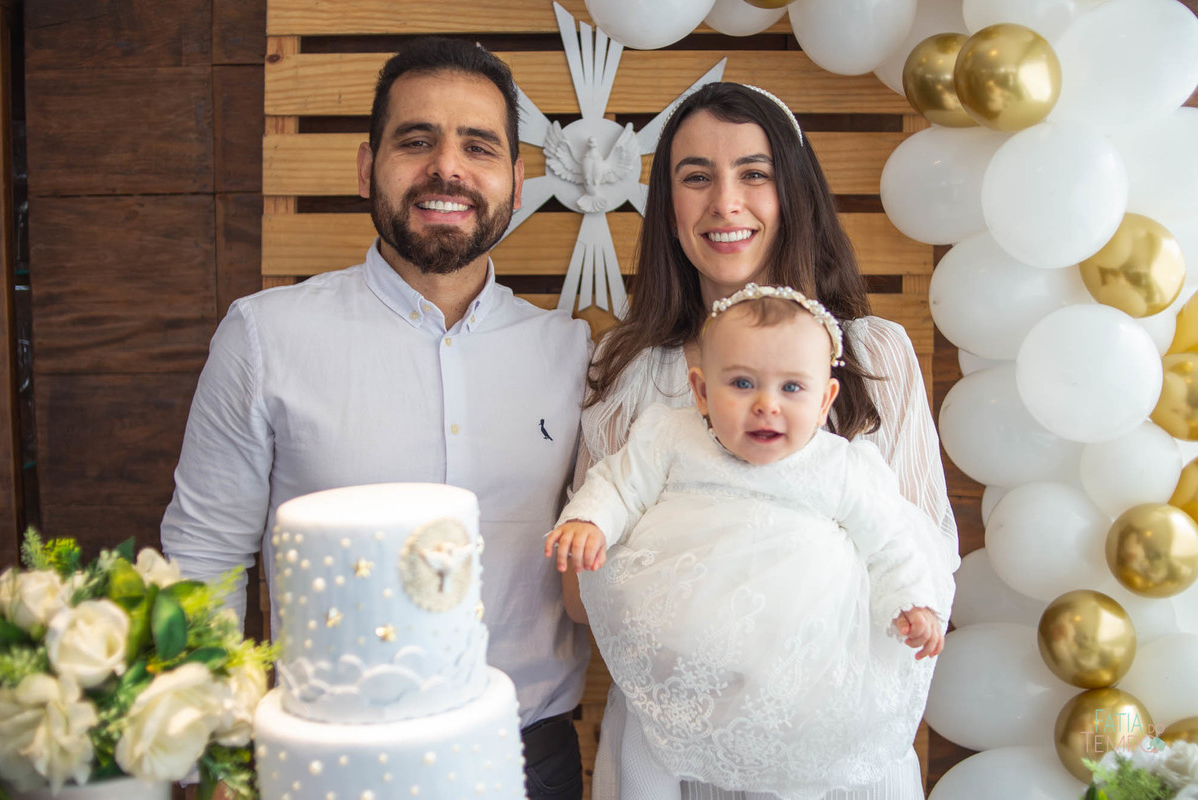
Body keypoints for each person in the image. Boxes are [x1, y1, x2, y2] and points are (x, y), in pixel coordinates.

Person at [160, 38, 590, 800]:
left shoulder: (571, 355)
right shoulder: (264, 337)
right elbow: (205, 556)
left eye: (479, 146)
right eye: (416, 140)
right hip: (332, 763)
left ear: (516, 183)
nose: (447, 168)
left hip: (531, 758)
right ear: (368, 167)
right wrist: (213, 754)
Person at [563, 83, 960, 800]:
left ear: (795, 192)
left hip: (830, 745)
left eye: (754, 173)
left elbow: (923, 556)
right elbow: (578, 590)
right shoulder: (626, 369)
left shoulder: (875, 355)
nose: (725, 203)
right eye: (695, 178)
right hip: (670, 738)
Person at [546, 286, 945, 799]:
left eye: (792, 389)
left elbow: (891, 542)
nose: (766, 405)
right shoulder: (669, 437)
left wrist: (910, 602)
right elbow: (617, 485)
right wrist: (589, 522)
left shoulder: (840, 468)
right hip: (677, 664)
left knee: (802, 753)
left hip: (791, 675)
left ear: (826, 400)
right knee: (650, 739)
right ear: (701, 390)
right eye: (741, 383)